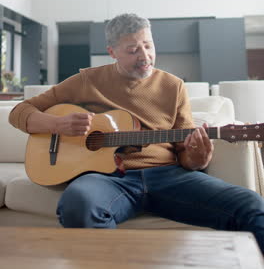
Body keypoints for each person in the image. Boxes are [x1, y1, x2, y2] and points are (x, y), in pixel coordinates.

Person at [9, 13, 264, 252]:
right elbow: (19, 112)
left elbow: (186, 157)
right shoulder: (87, 81)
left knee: (252, 205)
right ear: (112, 52)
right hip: (105, 179)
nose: (145, 56)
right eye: (132, 50)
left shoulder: (173, 86)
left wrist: (198, 158)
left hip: (168, 176)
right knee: (78, 204)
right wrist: (58, 125)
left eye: (148, 46)